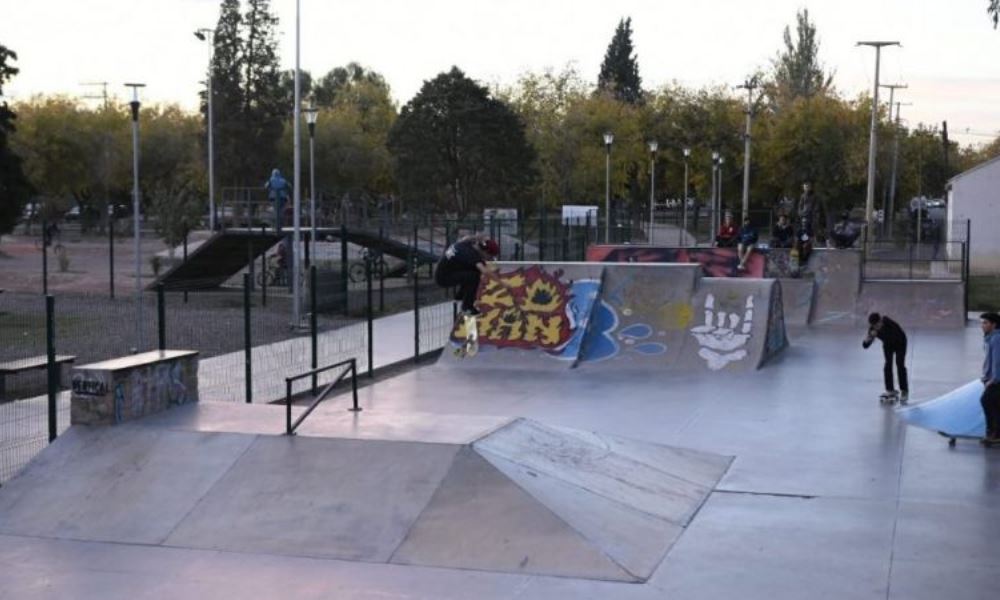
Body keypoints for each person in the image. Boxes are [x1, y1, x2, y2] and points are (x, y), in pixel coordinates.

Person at [435, 235, 501, 315]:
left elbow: (470, 237)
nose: (490, 259)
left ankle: (460, 296)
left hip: (446, 271)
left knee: (473, 271)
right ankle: (467, 308)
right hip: (443, 277)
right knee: (474, 276)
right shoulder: (471, 255)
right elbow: (485, 271)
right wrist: (503, 283)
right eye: (490, 257)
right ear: (485, 251)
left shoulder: (467, 243)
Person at [863, 313, 909, 404]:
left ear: (880, 321)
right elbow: (865, 346)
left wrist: (877, 334)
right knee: (887, 365)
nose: (876, 327)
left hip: (900, 342)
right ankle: (890, 389)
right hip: (888, 345)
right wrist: (869, 338)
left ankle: (904, 390)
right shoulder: (873, 328)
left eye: (877, 325)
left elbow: (895, 335)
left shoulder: (888, 321)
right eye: (874, 326)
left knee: (900, 364)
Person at [978, 312, 1000, 444]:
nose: (982, 325)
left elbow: (998, 361)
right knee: (995, 405)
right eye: (982, 323)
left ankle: (994, 434)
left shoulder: (997, 338)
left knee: (987, 401)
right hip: (991, 378)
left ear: (994, 325)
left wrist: (994, 379)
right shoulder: (990, 338)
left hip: (996, 380)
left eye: (985, 323)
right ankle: (993, 433)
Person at [264, 168, 290, 232]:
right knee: (281, 212)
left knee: (275, 211)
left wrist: (271, 188)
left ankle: (275, 226)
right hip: (283, 198)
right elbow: (289, 186)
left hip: (273, 198)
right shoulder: (283, 180)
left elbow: (266, 186)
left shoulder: (271, 180)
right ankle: (280, 226)